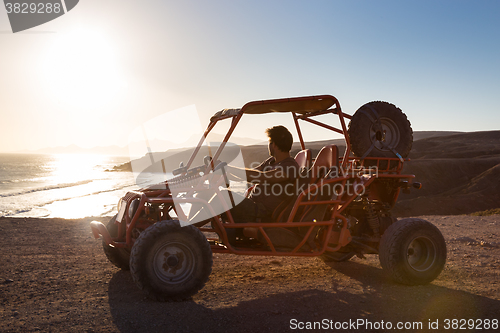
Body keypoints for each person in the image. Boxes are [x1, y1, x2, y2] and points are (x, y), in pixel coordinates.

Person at [222, 125, 300, 223]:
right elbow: (249, 174)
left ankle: (196, 231)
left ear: (274, 145)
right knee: (213, 195)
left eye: (269, 142)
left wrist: (229, 168)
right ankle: (197, 229)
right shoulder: (271, 161)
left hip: (263, 212)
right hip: (253, 206)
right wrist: (224, 172)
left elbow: (261, 177)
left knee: (223, 195)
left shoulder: (289, 166)